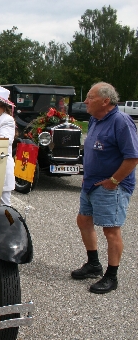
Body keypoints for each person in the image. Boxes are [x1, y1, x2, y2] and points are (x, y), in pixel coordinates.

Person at [71, 82, 138, 294]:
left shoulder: (121, 122)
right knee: (83, 220)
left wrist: (114, 181)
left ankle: (112, 276)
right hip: (91, 183)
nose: (86, 101)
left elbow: (133, 157)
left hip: (111, 186)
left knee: (111, 229)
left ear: (105, 101)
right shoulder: (95, 120)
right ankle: (93, 265)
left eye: (90, 97)